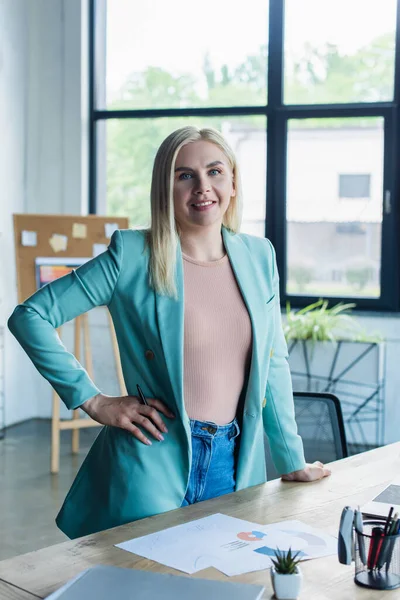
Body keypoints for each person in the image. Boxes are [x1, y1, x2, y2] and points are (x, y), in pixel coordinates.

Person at [8, 126, 330, 539]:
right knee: (143, 586)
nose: (202, 187)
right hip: (152, 460)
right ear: (166, 188)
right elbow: (30, 316)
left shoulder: (259, 256)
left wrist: (290, 459)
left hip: (234, 464)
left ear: (232, 182)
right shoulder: (131, 256)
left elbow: (273, 362)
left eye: (215, 172)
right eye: (185, 175)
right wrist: (93, 400)